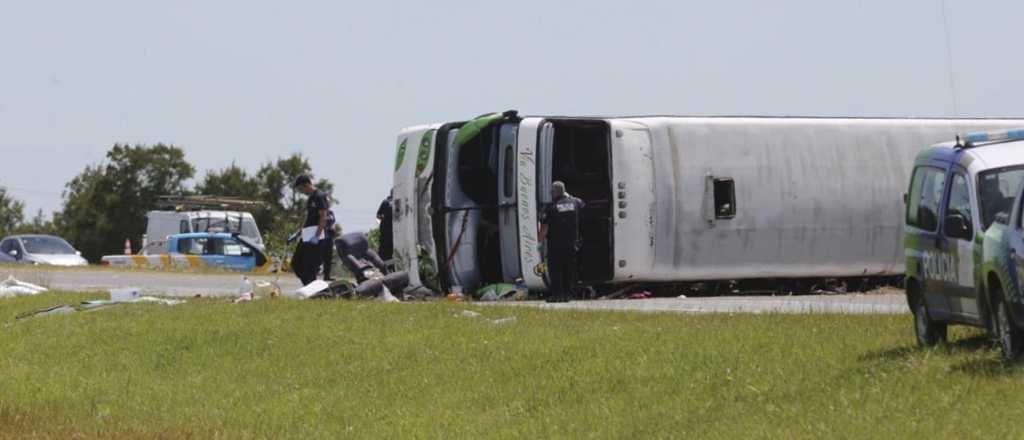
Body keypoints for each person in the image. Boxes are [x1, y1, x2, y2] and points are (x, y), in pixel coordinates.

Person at [539, 181, 585, 303]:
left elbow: (544, 228)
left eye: (551, 192)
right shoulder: (576, 202)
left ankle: (557, 295)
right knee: (569, 270)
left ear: (554, 192)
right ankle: (569, 294)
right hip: (572, 244)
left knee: (556, 271)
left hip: (555, 245)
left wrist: (539, 241)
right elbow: (582, 207)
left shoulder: (551, 207)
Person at [290, 175, 329, 286]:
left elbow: (323, 217)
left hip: (316, 236)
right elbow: (308, 218)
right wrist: (298, 232)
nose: (301, 192)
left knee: (310, 266)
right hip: (307, 235)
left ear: (306, 185)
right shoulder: (311, 198)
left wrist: (316, 236)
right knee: (296, 263)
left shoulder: (319, 196)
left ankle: (312, 290)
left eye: (301, 189)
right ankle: (308, 286)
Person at [376, 190, 394, 261]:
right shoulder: (387, 202)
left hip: (385, 232)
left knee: (384, 253)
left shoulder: (385, 202)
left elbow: (378, 216)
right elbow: (378, 216)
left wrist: (381, 223)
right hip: (390, 232)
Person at [321, 207, 337, 281]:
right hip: (321, 237)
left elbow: (333, 222)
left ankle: (326, 276)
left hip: (329, 238)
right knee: (319, 257)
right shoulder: (320, 211)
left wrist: (333, 228)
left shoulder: (331, 213)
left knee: (328, 258)